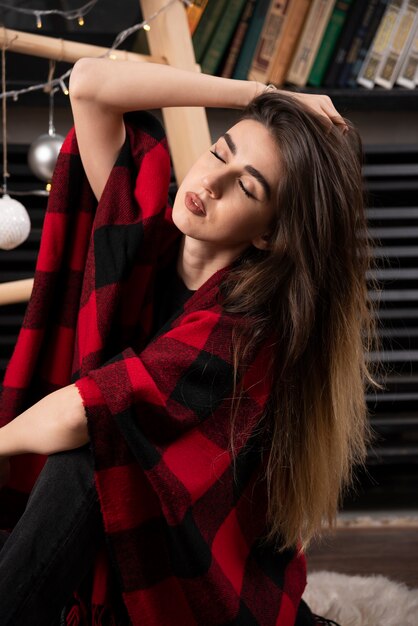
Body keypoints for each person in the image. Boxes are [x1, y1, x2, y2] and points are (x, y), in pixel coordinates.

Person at [0, 59, 382, 625]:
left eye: (245, 187)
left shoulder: (246, 328)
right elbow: (89, 84)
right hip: (111, 528)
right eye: (219, 152)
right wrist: (265, 92)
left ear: (270, 233)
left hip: (186, 565)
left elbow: (89, 410)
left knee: (88, 456)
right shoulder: (143, 235)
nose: (209, 182)